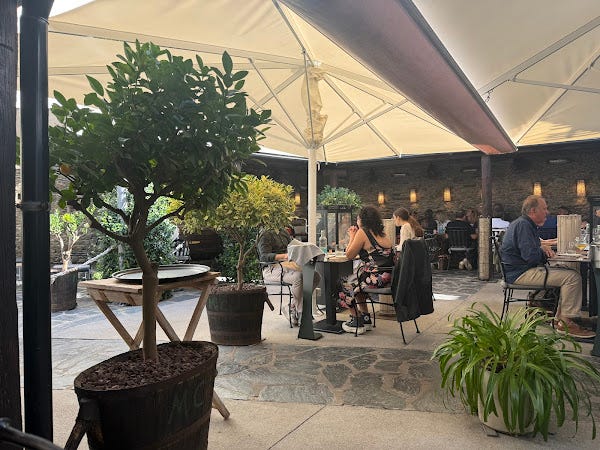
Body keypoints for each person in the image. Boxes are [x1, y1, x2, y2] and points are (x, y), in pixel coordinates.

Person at [500, 195, 595, 339]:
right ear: (533, 211)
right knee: (572, 277)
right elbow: (531, 257)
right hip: (519, 273)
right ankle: (567, 323)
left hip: (518, 270)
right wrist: (543, 251)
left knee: (567, 270)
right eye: (544, 209)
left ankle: (562, 319)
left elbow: (531, 251)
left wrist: (541, 248)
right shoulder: (524, 225)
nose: (547, 212)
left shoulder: (523, 223)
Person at [337, 206, 394, 334]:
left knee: (343, 282)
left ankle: (356, 320)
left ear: (363, 220)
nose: (357, 221)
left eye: (358, 218)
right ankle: (366, 319)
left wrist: (352, 236)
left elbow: (349, 255)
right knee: (357, 284)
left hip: (375, 278)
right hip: (388, 277)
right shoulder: (381, 233)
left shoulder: (363, 232)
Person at [258, 227, 320, 326]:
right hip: (271, 269)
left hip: (288, 265)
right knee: (298, 277)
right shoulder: (265, 234)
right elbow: (264, 257)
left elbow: (293, 246)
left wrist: (305, 248)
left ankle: (292, 306)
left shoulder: (283, 231)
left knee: (315, 276)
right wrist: (284, 256)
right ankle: (301, 312)